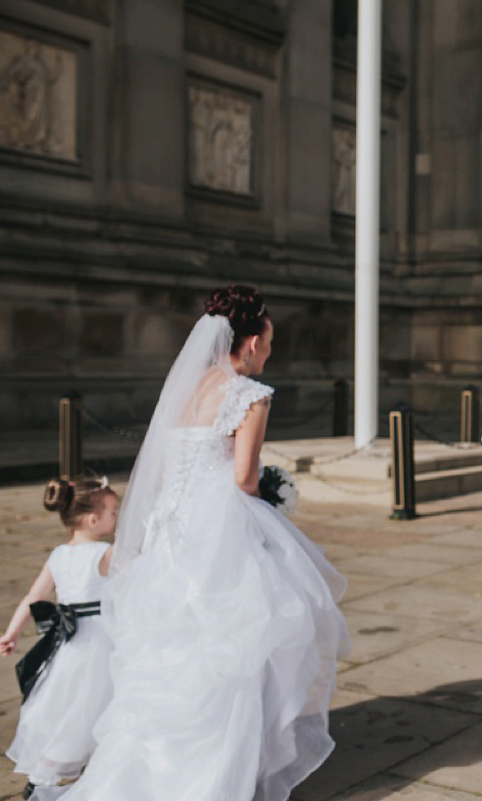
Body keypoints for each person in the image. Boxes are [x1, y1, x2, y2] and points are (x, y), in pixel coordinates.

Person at [58, 286, 350, 801]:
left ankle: (143, 770)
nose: (270, 352)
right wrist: (273, 493)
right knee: (234, 644)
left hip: (173, 529)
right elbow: (243, 479)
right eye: (270, 342)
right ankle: (218, 776)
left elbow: (169, 468)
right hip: (222, 529)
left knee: (171, 646)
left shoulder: (186, 390)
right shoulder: (251, 396)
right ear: (253, 342)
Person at [2, 478, 117, 800]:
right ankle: (101, 773)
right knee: (101, 704)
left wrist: (11, 632)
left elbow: (32, 598)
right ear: (93, 519)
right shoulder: (107, 554)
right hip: (101, 641)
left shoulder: (58, 555)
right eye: (112, 512)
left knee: (65, 708)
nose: (115, 519)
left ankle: (44, 778)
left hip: (67, 647)